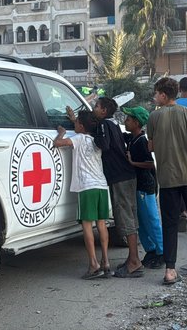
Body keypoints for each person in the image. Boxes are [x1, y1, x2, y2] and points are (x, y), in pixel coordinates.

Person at [68, 97, 143, 278]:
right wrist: (76, 122)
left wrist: (83, 132)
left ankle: (134, 261)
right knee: (127, 217)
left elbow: (103, 144)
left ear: (103, 111)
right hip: (124, 176)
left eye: (96, 106)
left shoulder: (103, 126)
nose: (93, 109)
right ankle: (130, 259)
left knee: (125, 218)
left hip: (119, 177)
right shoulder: (111, 124)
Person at [147, 77, 187, 285]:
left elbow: (151, 147)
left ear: (163, 95)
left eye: (156, 94)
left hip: (167, 178)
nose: (155, 97)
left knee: (170, 224)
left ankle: (170, 270)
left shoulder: (154, 117)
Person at [53, 111, 110, 279]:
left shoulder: (78, 139)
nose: (74, 125)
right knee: (101, 224)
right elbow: (82, 126)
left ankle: (93, 264)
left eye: (76, 123)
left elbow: (57, 144)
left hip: (87, 187)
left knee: (86, 226)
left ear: (82, 126)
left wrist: (62, 132)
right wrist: (74, 118)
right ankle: (105, 261)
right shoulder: (95, 140)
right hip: (101, 185)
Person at [121, 106, 163, 270]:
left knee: (152, 220)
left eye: (128, 119)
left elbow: (150, 163)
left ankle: (162, 252)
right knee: (142, 222)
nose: (125, 122)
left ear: (137, 123)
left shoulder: (142, 141)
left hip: (146, 186)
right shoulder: (132, 139)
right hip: (137, 186)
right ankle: (151, 249)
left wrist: (132, 163)